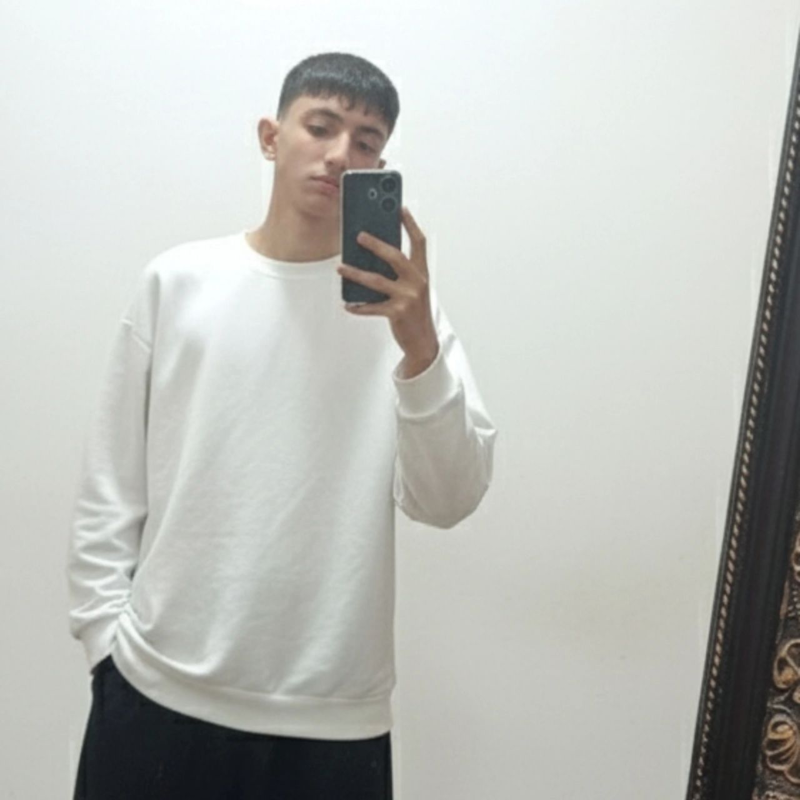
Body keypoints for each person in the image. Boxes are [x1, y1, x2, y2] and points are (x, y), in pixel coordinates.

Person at [66, 51, 498, 799]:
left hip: (334, 719)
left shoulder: (405, 317)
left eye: (365, 141)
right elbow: (112, 482)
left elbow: (448, 500)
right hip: (156, 689)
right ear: (271, 136)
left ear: (380, 166)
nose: (339, 154)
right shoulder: (179, 282)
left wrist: (421, 350)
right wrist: (105, 640)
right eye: (320, 126)